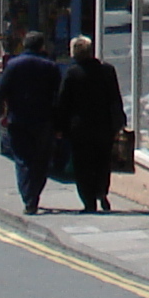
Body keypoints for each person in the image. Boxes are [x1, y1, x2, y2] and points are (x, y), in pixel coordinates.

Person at [53, 34, 128, 214]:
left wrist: (59, 127)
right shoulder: (107, 70)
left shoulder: (72, 73)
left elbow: (63, 102)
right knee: (102, 161)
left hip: (80, 128)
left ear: (74, 54)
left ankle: (88, 202)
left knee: (83, 165)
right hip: (105, 125)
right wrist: (119, 122)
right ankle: (101, 191)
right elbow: (115, 99)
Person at [0, 30, 63, 215]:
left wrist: (1, 114)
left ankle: (28, 198)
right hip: (44, 121)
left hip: (19, 119)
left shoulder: (14, 65)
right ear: (42, 47)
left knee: (23, 160)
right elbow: (59, 98)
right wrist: (58, 123)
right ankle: (34, 195)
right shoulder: (51, 67)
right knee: (41, 160)